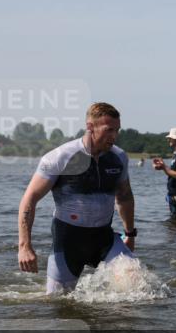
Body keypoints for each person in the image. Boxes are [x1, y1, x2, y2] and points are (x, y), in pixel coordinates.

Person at [17, 102, 137, 294]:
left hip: (104, 238)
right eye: (109, 130)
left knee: (138, 286)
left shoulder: (119, 158)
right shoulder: (60, 158)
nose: (114, 136)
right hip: (68, 242)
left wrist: (130, 234)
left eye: (117, 130)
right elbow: (29, 199)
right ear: (90, 127)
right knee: (58, 305)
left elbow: (124, 197)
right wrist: (24, 246)